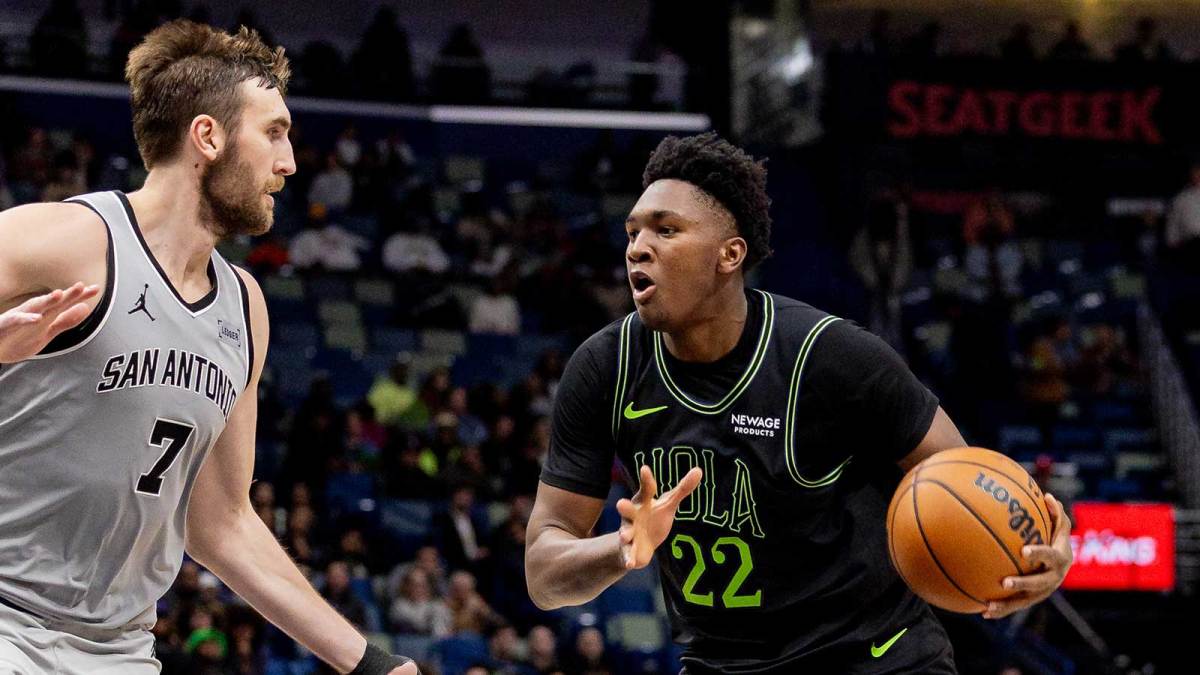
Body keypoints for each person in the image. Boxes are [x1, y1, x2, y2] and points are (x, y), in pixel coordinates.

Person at [525, 133, 1074, 673]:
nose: (638, 247)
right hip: (722, 663)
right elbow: (544, 573)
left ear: (730, 254)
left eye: (667, 230)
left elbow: (971, 482)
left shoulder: (833, 357)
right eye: (633, 231)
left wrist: (1042, 549)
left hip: (873, 658)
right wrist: (622, 547)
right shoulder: (605, 369)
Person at [0, 20, 415, 675]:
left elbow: (221, 520)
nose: (290, 163)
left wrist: (367, 662)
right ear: (208, 136)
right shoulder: (64, 241)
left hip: (121, 647)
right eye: (274, 132)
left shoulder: (244, 307)